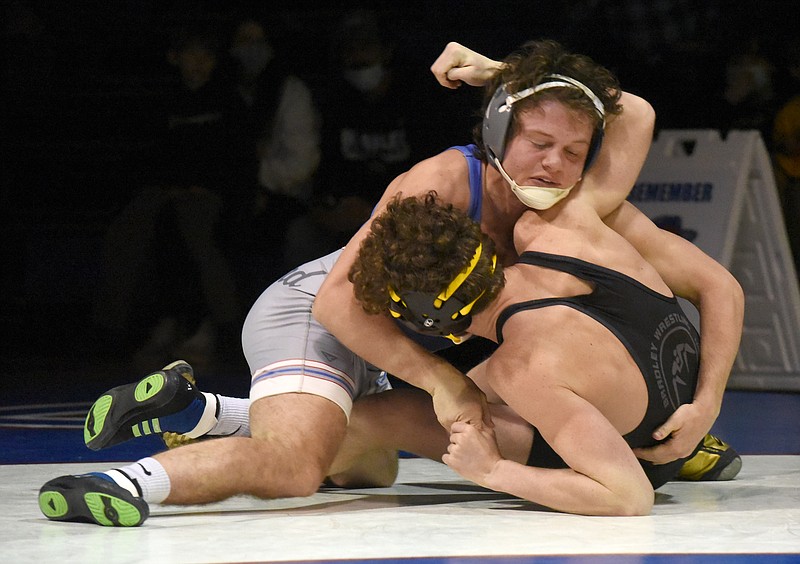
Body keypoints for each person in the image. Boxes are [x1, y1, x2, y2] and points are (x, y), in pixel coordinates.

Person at [37, 40, 742, 526]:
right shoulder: (438, 185)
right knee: (298, 461)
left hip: (441, 323)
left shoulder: (575, 208)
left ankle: (202, 414)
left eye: (572, 150)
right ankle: (125, 482)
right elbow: (344, 301)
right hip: (328, 306)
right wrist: (443, 383)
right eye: (538, 142)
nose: (555, 164)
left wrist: (507, 75)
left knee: (369, 467)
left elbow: (636, 113)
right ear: (500, 130)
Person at [330, 190, 734, 515]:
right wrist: (707, 401)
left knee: (377, 415)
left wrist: (493, 471)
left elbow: (628, 496)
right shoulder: (557, 225)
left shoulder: (521, 369)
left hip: (649, 458)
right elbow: (723, 286)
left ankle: (331, 473)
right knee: (471, 386)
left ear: (427, 322)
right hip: (684, 404)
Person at [92, 21, 245, 370]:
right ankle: (116, 331)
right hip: (162, 192)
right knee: (130, 232)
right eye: (191, 53)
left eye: (206, 54)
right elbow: (147, 153)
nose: (199, 62)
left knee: (198, 232)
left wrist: (207, 188)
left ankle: (218, 329)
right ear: (174, 57)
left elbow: (236, 158)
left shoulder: (228, 100)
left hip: (210, 194)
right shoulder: (160, 100)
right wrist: (166, 187)